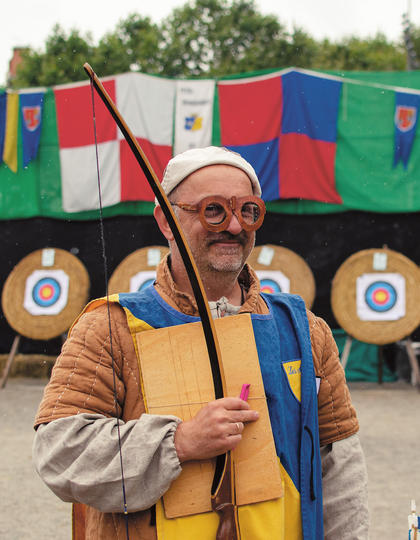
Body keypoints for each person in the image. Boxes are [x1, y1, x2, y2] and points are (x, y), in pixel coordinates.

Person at [33, 146, 369, 540]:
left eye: (248, 210)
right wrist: (178, 441)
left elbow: (339, 467)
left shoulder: (304, 330)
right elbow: (60, 454)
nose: (233, 226)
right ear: (165, 218)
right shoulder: (110, 329)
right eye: (213, 210)